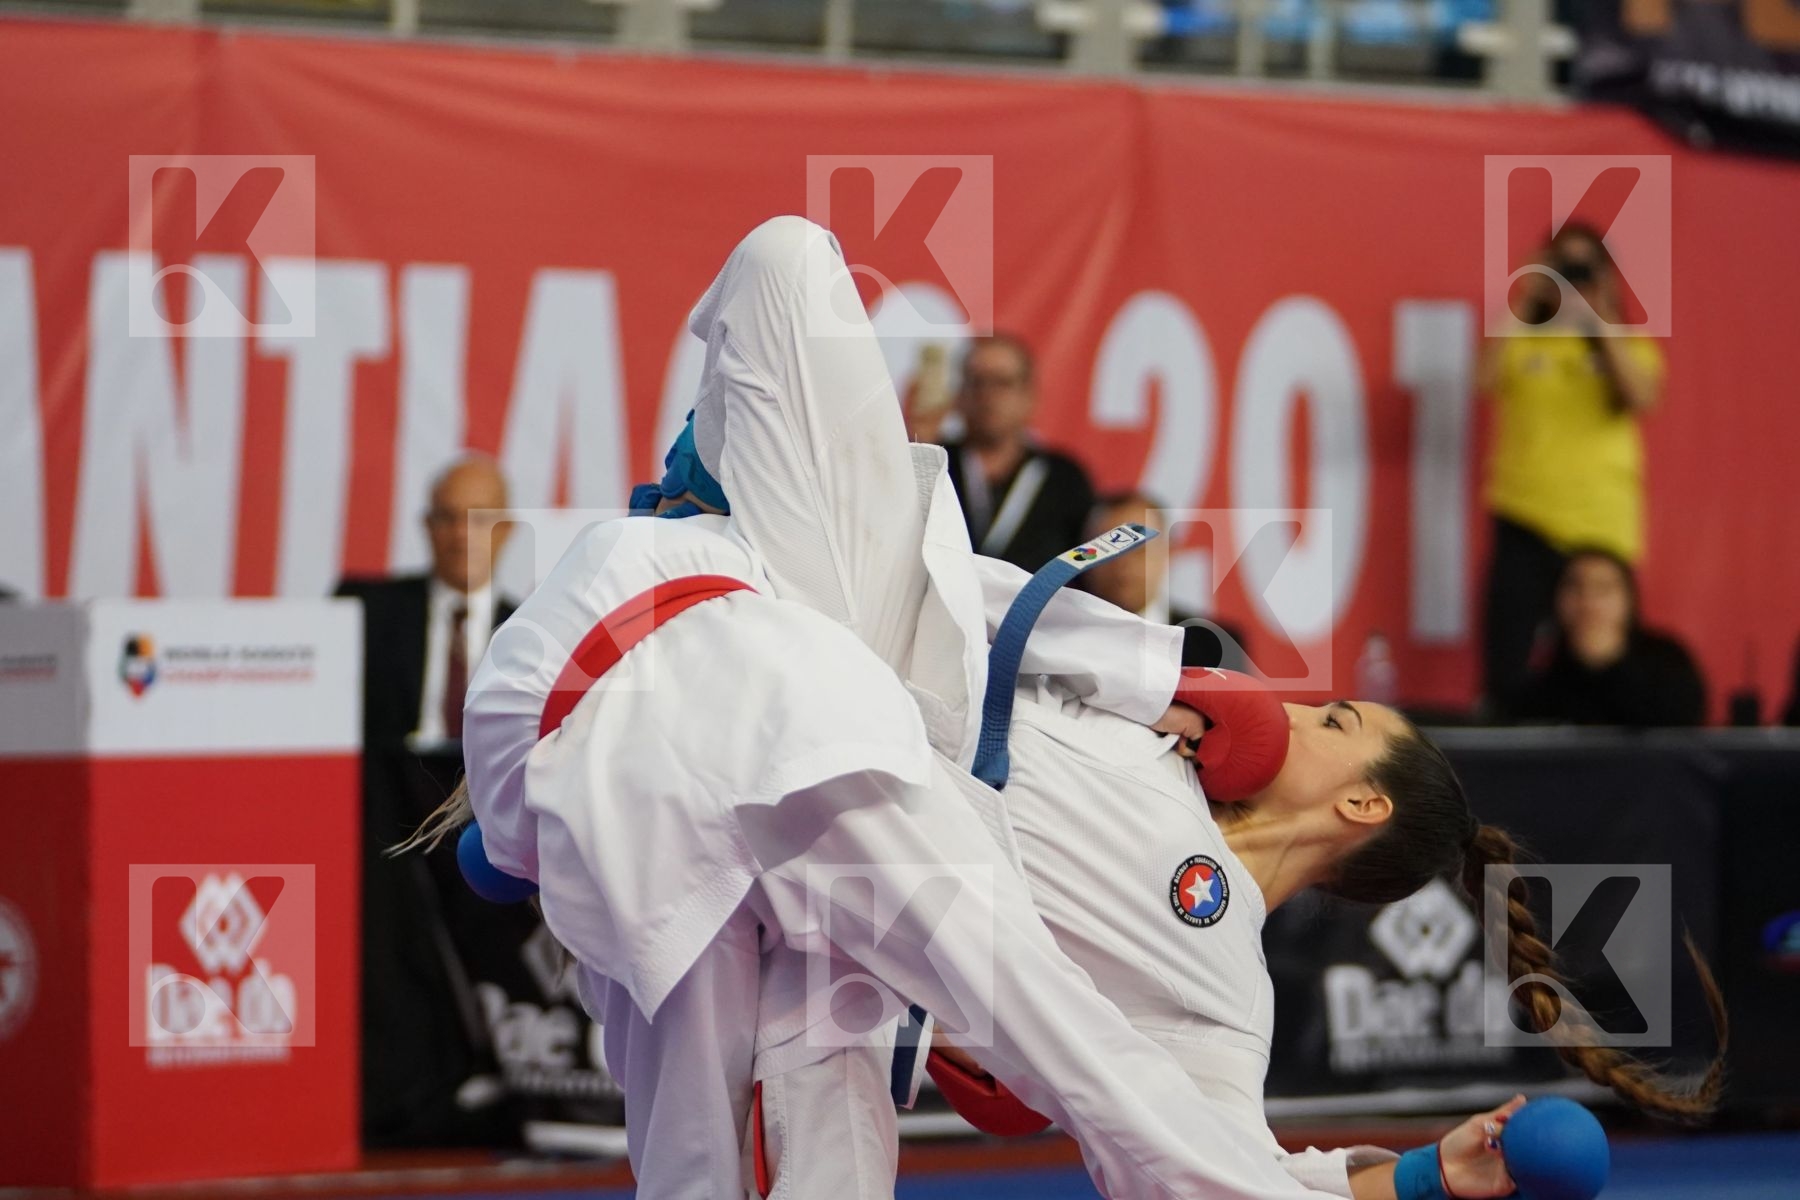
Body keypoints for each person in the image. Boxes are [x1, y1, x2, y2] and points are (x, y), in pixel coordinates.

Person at [442, 217, 1400, 1200]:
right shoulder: (843, 577)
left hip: (726, 769)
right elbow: (974, 592)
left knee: (1002, 1051)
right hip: (723, 719)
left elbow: (1199, 1121)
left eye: (1339, 721)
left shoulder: (1225, 983)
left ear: (1366, 809)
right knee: (1016, 1038)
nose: (1315, 708)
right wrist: (1164, 678)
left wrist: (1399, 1184)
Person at [335, 454, 521, 1148]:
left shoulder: (532, 631)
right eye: (445, 517)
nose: (459, 535)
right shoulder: (365, 612)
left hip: (485, 827)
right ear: (424, 527)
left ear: (504, 532)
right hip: (383, 824)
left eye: (478, 519)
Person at [1478, 223, 1667, 718]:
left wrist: (1599, 315)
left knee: (1605, 664)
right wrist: (1528, 290)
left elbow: (1641, 394)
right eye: (1565, 266)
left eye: (1585, 269)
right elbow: (1482, 378)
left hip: (1599, 531)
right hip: (1525, 517)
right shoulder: (1523, 339)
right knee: (1509, 667)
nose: (1573, 280)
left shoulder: (1627, 342)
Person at [940, 334, 1095, 573]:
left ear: (1029, 396)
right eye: (977, 382)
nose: (988, 396)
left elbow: (1086, 565)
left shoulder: (1064, 478)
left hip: (1037, 609)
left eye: (1002, 383)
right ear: (959, 395)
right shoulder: (935, 466)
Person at [1512, 549, 1706, 727]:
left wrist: (1610, 661)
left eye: (1603, 588)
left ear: (1628, 600)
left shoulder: (1666, 659)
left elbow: (1683, 724)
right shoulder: (1539, 661)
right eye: (1575, 587)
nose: (1588, 602)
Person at [1075, 489, 1251, 671]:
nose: (1123, 564)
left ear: (1169, 552)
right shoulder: (1059, 639)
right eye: (1108, 551)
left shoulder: (1216, 645)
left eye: (1139, 550)